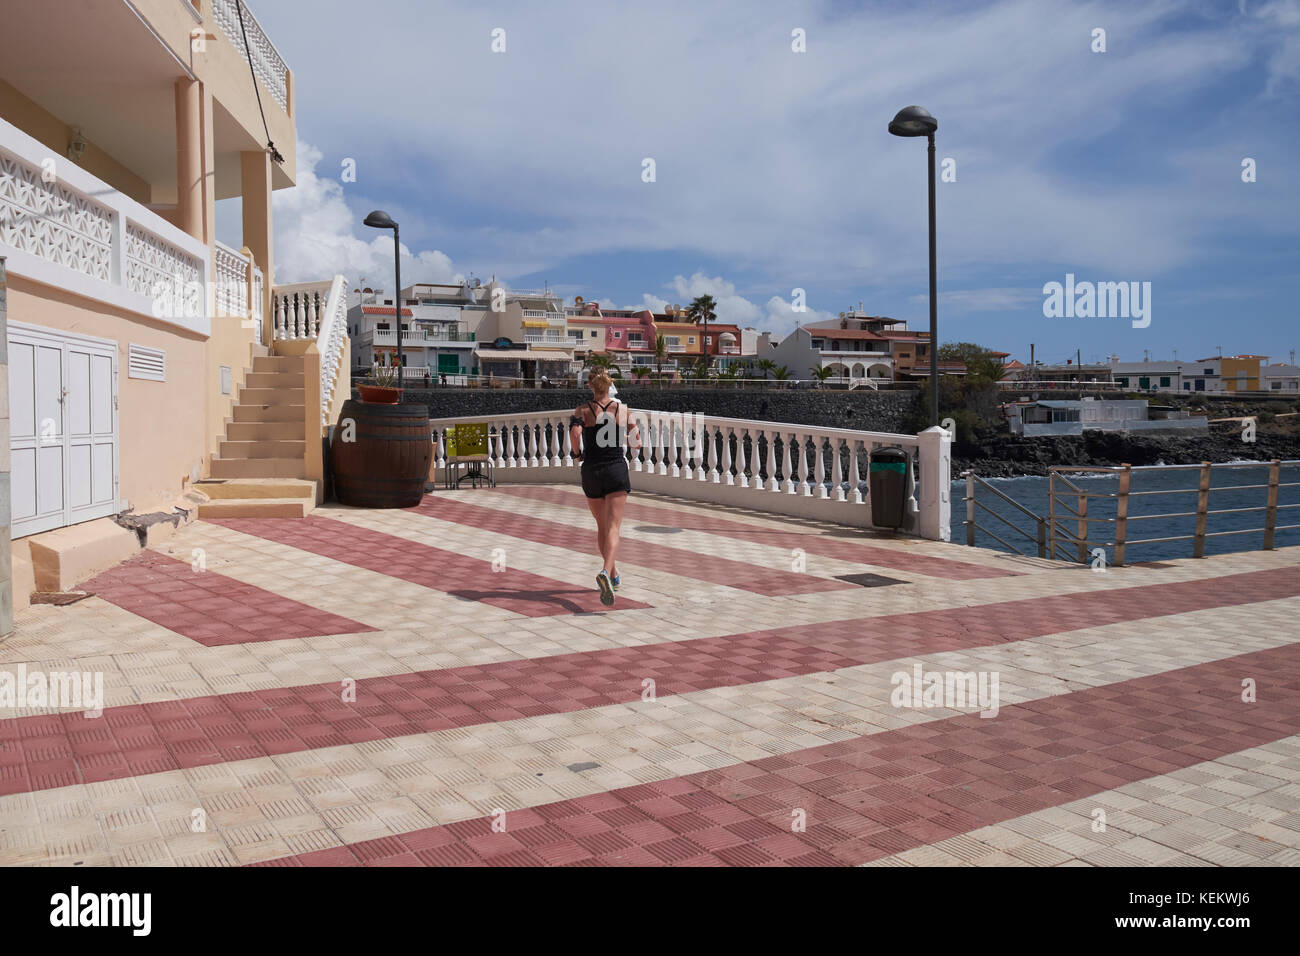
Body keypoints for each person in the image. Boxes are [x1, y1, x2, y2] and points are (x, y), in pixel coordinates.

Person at [569, 370, 640, 606]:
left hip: (591, 470)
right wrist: (632, 443)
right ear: (610, 387)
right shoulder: (622, 410)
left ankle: (612, 574)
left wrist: (577, 453)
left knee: (602, 526)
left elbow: (575, 432)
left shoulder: (582, 410)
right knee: (613, 528)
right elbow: (636, 439)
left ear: (591, 386)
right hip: (615, 469)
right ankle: (605, 571)